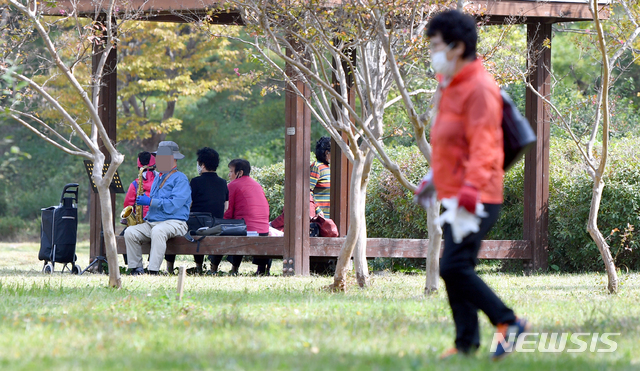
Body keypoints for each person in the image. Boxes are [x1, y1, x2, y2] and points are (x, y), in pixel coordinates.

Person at [426, 10, 530, 360]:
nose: (432, 51)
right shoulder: (450, 85)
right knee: (456, 269)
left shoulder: (480, 88)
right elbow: (450, 145)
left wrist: (470, 189)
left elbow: (485, 146)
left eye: (436, 45)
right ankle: (466, 342)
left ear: (456, 47)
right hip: (456, 193)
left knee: (453, 267)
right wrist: (432, 179)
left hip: (478, 194)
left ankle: (508, 320)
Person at [124, 141, 191, 275]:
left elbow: (174, 205)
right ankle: (136, 268)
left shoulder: (180, 179)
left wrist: (150, 202)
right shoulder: (158, 177)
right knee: (130, 232)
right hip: (153, 222)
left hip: (175, 222)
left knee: (158, 231)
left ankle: (153, 271)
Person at [165, 147, 228, 274]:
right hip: (215, 223)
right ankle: (213, 269)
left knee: (174, 227)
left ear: (202, 165)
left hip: (196, 222)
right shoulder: (223, 182)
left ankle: (170, 268)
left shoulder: (195, 181)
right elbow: (226, 206)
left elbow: (188, 203)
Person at [213, 159, 270, 275]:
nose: (229, 175)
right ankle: (261, 270)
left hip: (245, 230)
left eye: (231, 171)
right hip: (264, 230)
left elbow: (228, 213)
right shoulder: (257, 185)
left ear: (240, 172)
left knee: (220, 230)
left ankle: (214, 268)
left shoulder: (233, 185)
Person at [120, 151, 157, 264]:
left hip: (141, 224)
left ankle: (131, 263)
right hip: (160, 222)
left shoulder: (136, 184)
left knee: (123, 236)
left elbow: (128, 204)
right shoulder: (163, 181)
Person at [310, 137, 331, 219]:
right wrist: (318, 210)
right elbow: (308, 192)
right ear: (326, 153)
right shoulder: (317, 167)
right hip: (320, 219)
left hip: (330, 218)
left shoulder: (328, 168)